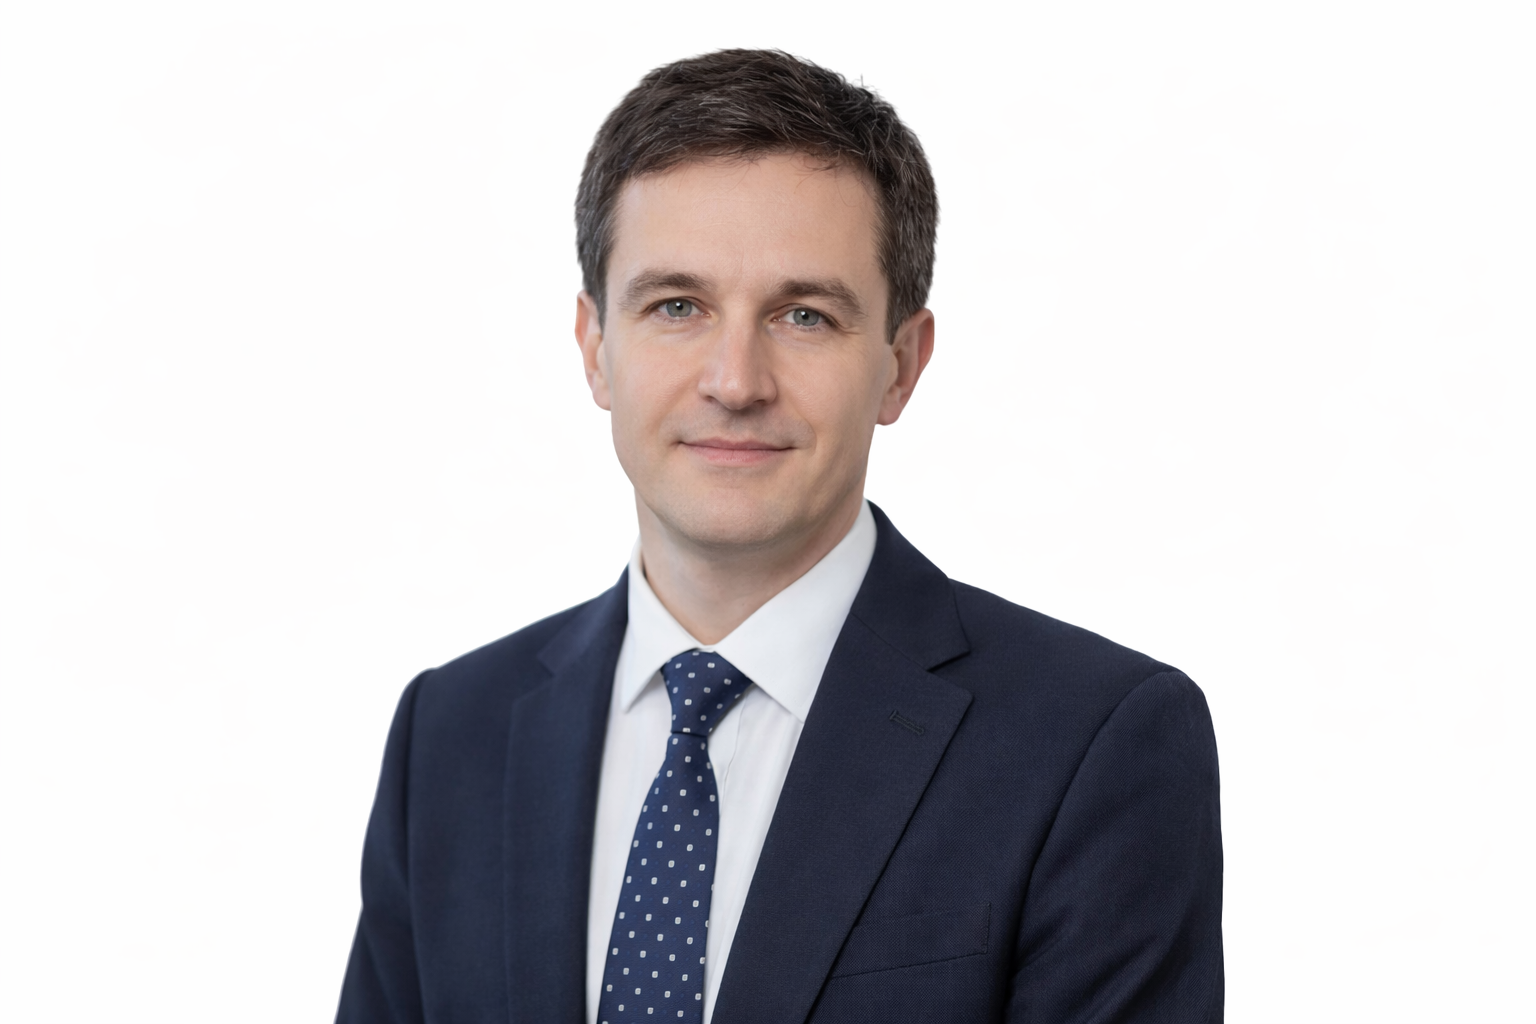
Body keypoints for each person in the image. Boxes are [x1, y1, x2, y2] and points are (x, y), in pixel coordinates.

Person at [336, 48, 1223, 1024]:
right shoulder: (453, 733)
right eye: (677, 305)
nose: (735, 379)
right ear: (596, 348)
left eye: (804, 315)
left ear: (900, 365)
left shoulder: (1091, 744)